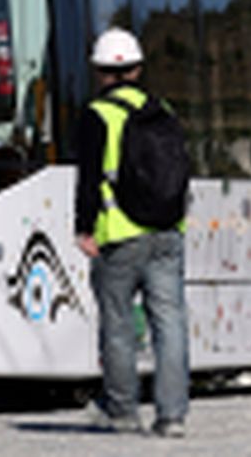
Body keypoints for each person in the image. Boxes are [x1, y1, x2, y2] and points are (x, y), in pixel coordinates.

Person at [74, 28, 190, 437]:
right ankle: (172, 416)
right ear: (138, 69)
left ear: (100, 71)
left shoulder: (97, 115)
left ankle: (123, 411)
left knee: (119, 325)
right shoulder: (165, 110)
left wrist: (84, 228)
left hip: (119, 236)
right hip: (167, 233)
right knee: (170, 324)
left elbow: (89, 180)